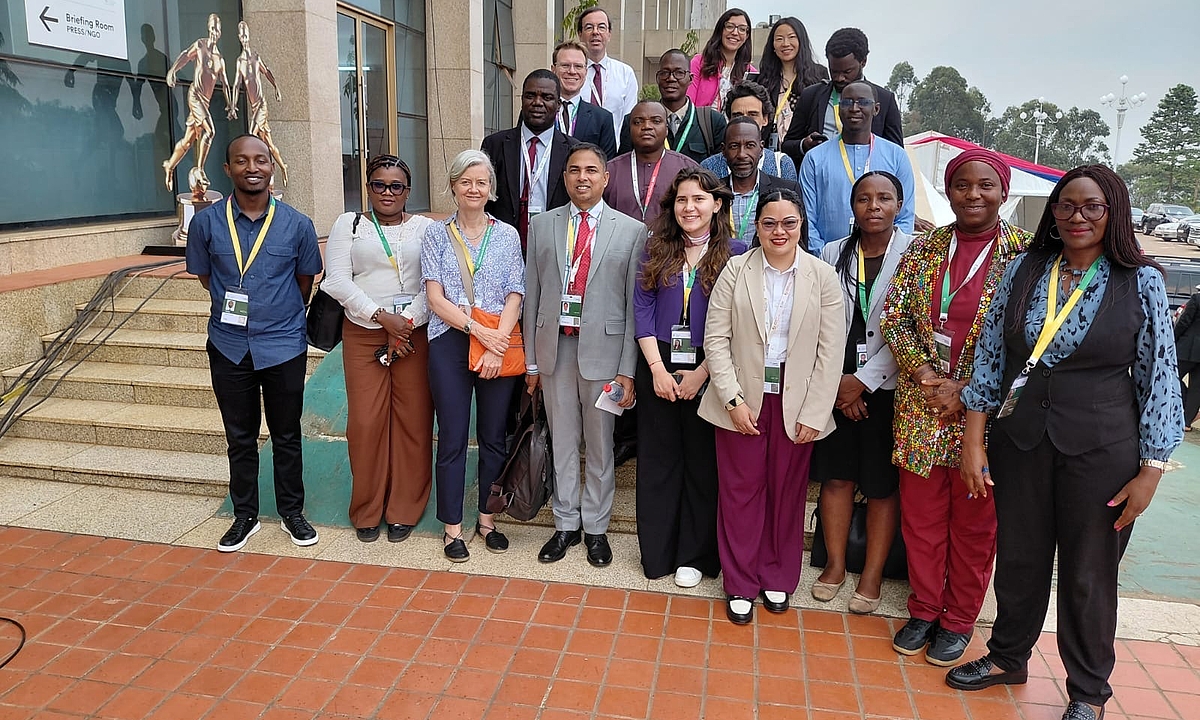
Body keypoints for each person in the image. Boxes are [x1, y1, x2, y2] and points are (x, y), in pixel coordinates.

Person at [948, 165, 1184, 720]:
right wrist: (974, 441)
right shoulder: (1026, 270)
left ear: (1113, 214)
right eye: (1066, 206)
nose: (1077, 217)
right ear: (1052, 213)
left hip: (1103, 450)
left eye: (1092, 207)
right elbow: (989, 356)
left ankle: (1087, 692)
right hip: (1023, 440)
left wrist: (1151, 470)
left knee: (1089, 573)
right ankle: (1008, 656)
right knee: (1021, 559)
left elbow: (1160, 379)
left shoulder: (1140, 281)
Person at [880, 148, 1032, 666]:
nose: (973, 194)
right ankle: (924, 608)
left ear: (1003, 192)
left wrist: (965, 387)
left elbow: (1031, 342)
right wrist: (927, 375)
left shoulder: (1027, 256)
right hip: (923, 406)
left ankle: (960, 618)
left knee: (975, 522)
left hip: (985, 414)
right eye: (962, 185)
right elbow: (896, 318)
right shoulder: (924, 249)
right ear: (948, 191)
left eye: (985, 185)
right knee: (921, 519)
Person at [698, 188, 844, 625]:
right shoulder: (735, 270)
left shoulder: (822, 276)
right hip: (740, 399)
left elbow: (830, 350)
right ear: (755, 226)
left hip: (797, 403)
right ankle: (740, 582)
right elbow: (716, 339)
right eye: (769, 223)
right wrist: (732, 399)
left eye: (789, 223)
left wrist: (815, 412)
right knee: (740, 493)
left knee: (787, 492)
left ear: (802, 224)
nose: (779, 231)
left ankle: (778, 575)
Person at [184, 134, 322, 552]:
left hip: (282, 344)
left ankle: (292, 512)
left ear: (272, 167)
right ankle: (244, 515)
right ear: (227, 170)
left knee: (286, 434)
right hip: (229, 344)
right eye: (241, 161)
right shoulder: (206, 223)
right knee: (239, 435)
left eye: (260, 160)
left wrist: (278, 313)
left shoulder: (297, 223)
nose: (252, 167)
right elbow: (207, 277)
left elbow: (305, 282)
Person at [524, 143, 646, 567]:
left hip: (606, 355)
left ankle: (596, 528)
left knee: (600, 446)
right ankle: (565, 525)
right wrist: (532, 362)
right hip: (555, 351)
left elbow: (634, 309)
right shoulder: (542, 226)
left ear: (605, 177)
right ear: (564, 176)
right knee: (562, 442)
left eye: (591, 170)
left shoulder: (631, 231)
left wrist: (628, 371)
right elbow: (532, 295)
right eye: (574, 170)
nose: (582, 178)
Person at [634, 167, 747, 586]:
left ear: (717, 204)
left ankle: (695, 556)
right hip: (658, 360)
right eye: (682, 199)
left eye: (699, 198)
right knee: (659, 461)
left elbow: (740, 321)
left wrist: (703, 374)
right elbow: (641, 309)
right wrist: (657, 370)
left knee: (702, 464)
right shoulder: (656, 247)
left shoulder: (737, 252)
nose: (689, 207)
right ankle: (658, 552)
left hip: (712, 363)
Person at [811, 171, 912, 614]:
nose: (873, 206)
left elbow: (911, 328)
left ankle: (870, 575)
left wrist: (863, 382)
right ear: (852, 206)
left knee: (880, 485)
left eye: (884, 198)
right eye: (864, 199)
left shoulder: (915, 254)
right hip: (835, 386)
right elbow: (820, 322)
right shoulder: (834, 252)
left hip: (888, 388)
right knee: (836, 478)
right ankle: (834, 565)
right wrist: (840, 384)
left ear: (898, 204)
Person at [321, 154, 434, 544]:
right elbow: (336, 280)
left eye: (396, 186)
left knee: (413, 421)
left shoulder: (424, 227)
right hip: (364, 332)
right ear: (368, 188)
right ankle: (367, 509)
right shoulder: (349, 225)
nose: (387, 192)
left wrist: (405, 324)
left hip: (413, 334)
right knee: (366, 424)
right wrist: (380, 317)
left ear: (408, 191)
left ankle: (404, 507)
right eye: (379, 185)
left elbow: (433, 282)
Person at [421, 150, 525, 562]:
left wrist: (498, 341)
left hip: (499, 340)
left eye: (481, 182)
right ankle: (452, 528)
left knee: (494, 436)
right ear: (453, 186)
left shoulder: (508, 234)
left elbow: (516, 292)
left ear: (491, 189)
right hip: (450, 338)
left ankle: (487, 519)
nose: (473, 188)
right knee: (451, 435)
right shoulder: (436, 234)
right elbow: (434, 297)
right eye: (465, 181)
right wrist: (477, 330)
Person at [800, 81, 915, 253]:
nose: (854, 108)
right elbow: (807, 219)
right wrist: (826, 259)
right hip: (827, 265)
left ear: (876, 109)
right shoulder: (814, 158)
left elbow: (905, 217)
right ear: (838, 110)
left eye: (863, 102)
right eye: (847, 102)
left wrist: (888, 257)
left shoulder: (896, 156)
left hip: (884, 264)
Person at [481, 69, 578, 250]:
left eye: (547, 97)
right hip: (502, 247)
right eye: (530, 96)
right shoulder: (494, 145)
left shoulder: (574, 150)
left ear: (558, 105)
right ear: (522, 100)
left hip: (555, 247)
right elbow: (484, 200)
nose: (537, 103)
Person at [780, 27, 903, 167]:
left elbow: (896, 154)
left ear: (863, 62)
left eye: (847, 72)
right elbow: (787, 145)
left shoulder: (885, 100)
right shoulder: (811, 96)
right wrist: (804, 145)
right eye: (834, 71)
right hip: (821, 177)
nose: (839, 78)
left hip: (867, 182)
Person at [163, 13, 234, 192]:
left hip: (206, 102)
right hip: (195, 96)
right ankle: (200, 170)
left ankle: (170, 165)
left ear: (220, 32)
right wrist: (172, 71)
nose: (213, 32)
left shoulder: (220, 60)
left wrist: (231, 104)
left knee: (188, 141)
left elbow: (225, 84)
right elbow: (186, 56)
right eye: (211, 28)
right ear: (208, 28)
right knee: (210, 131)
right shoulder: (200, 45)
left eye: (217, 29)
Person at [620, 50, 726, 165]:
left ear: (690, 79)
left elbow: (719, 171)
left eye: (679, 73)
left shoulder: (712, 122)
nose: (671, 78)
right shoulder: (635, 121)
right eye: (665, 73)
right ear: (657, 78)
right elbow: (624, 166)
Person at [605, 101, 699, 226]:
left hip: (673, 244)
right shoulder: (609, 171)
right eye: (638, 122)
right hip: (620, 245)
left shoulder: (688, 169)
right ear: (629, 128)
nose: (646, 126)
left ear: (666, 129)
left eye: (656, 121)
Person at [720, 117, 802, 246]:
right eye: (734, 146)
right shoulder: (712, 192)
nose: (742, 154)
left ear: (761, 149)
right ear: (723, 151)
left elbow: (800, 243)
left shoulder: (787, 190)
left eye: (750, 146)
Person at [700, 81, 798, 182]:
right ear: (729, 119)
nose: (745, 121)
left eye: (752, 114)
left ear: (765, 119)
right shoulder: (709, 167)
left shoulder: (781, 165)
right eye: (738, 115)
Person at [756, 17, 828, 149]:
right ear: (772, 45)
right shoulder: (763, 78)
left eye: (791, 37)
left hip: (806, 149)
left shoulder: (819, 74)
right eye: (779, 39)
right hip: (769, 150)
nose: (785, 43)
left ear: (801, 41)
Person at [229, 21, 287, 186]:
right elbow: (236, 85)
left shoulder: (255, 57)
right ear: (239, 38)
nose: (244, 37)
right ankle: (282, 167)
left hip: (261, 105)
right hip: (254, 108)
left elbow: (267, 72)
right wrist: (233, 105)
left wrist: (276, 88)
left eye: (245, 33)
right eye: (241, 34)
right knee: (268, 142)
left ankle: (256, 174)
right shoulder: (240, 61)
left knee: (251, 137)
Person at [577, 7, 639, 136]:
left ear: (609, 34)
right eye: (589, 27)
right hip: (577, 150)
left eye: (601, 27)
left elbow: (629, 120)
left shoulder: (625, 73)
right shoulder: (571, 74)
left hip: (614, 151)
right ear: (580, 34)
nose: (595, 32)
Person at [552, 40, 617, 161]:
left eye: (578, 66)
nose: (572, 71)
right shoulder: (537, 112)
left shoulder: (602, 118)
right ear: (553, 69)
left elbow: (608, 165)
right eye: (565, 65)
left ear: (585, 72)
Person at [686, 8, 756, 112]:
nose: (735, 32)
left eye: (742, 29)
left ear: (747, 36)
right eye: (729, 27)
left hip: (736, 127)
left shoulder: (751, 72)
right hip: (702, 125)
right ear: (720, 30)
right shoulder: (699, 63)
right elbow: (688, 103)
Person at [1174, 286, 1200, 429]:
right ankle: (1187, 422)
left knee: (1173, 377)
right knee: (1197, 387)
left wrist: (1173, 338)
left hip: (1187, 347)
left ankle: (1183, 402)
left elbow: (1184, 322)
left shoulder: (1196, 299)